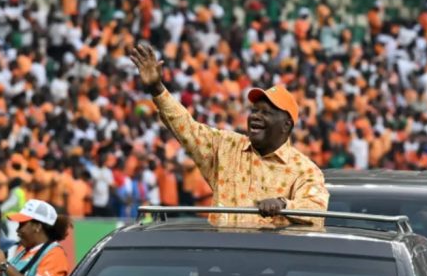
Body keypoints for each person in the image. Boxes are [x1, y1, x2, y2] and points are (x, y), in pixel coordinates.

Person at [129, 44, 329, 226]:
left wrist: (283, 205)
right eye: (254, 110)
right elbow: (187, 128)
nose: (255, 117)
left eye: (266, 113)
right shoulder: (226, 146)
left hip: (270, 264)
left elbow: (316, 210)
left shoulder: (305, 170)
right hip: (220, 259)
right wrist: (157, 89)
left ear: (286, 125)